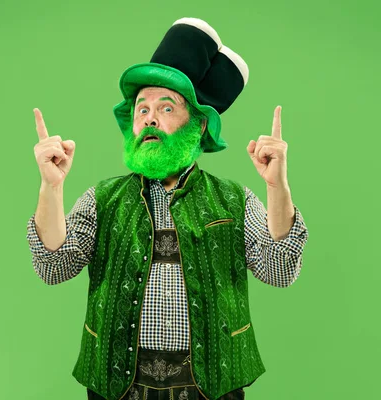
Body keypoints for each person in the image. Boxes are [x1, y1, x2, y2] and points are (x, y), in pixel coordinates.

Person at [26, 18, 309, 400]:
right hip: (118, 389)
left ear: (198, 125)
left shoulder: (234, 199)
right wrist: (51, 187)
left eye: (166, 107)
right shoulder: (103, 198)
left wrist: (277, 187)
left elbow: (280, 270)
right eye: (141, 109)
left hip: (210, 388)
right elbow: (53, 267)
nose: (150, 119)